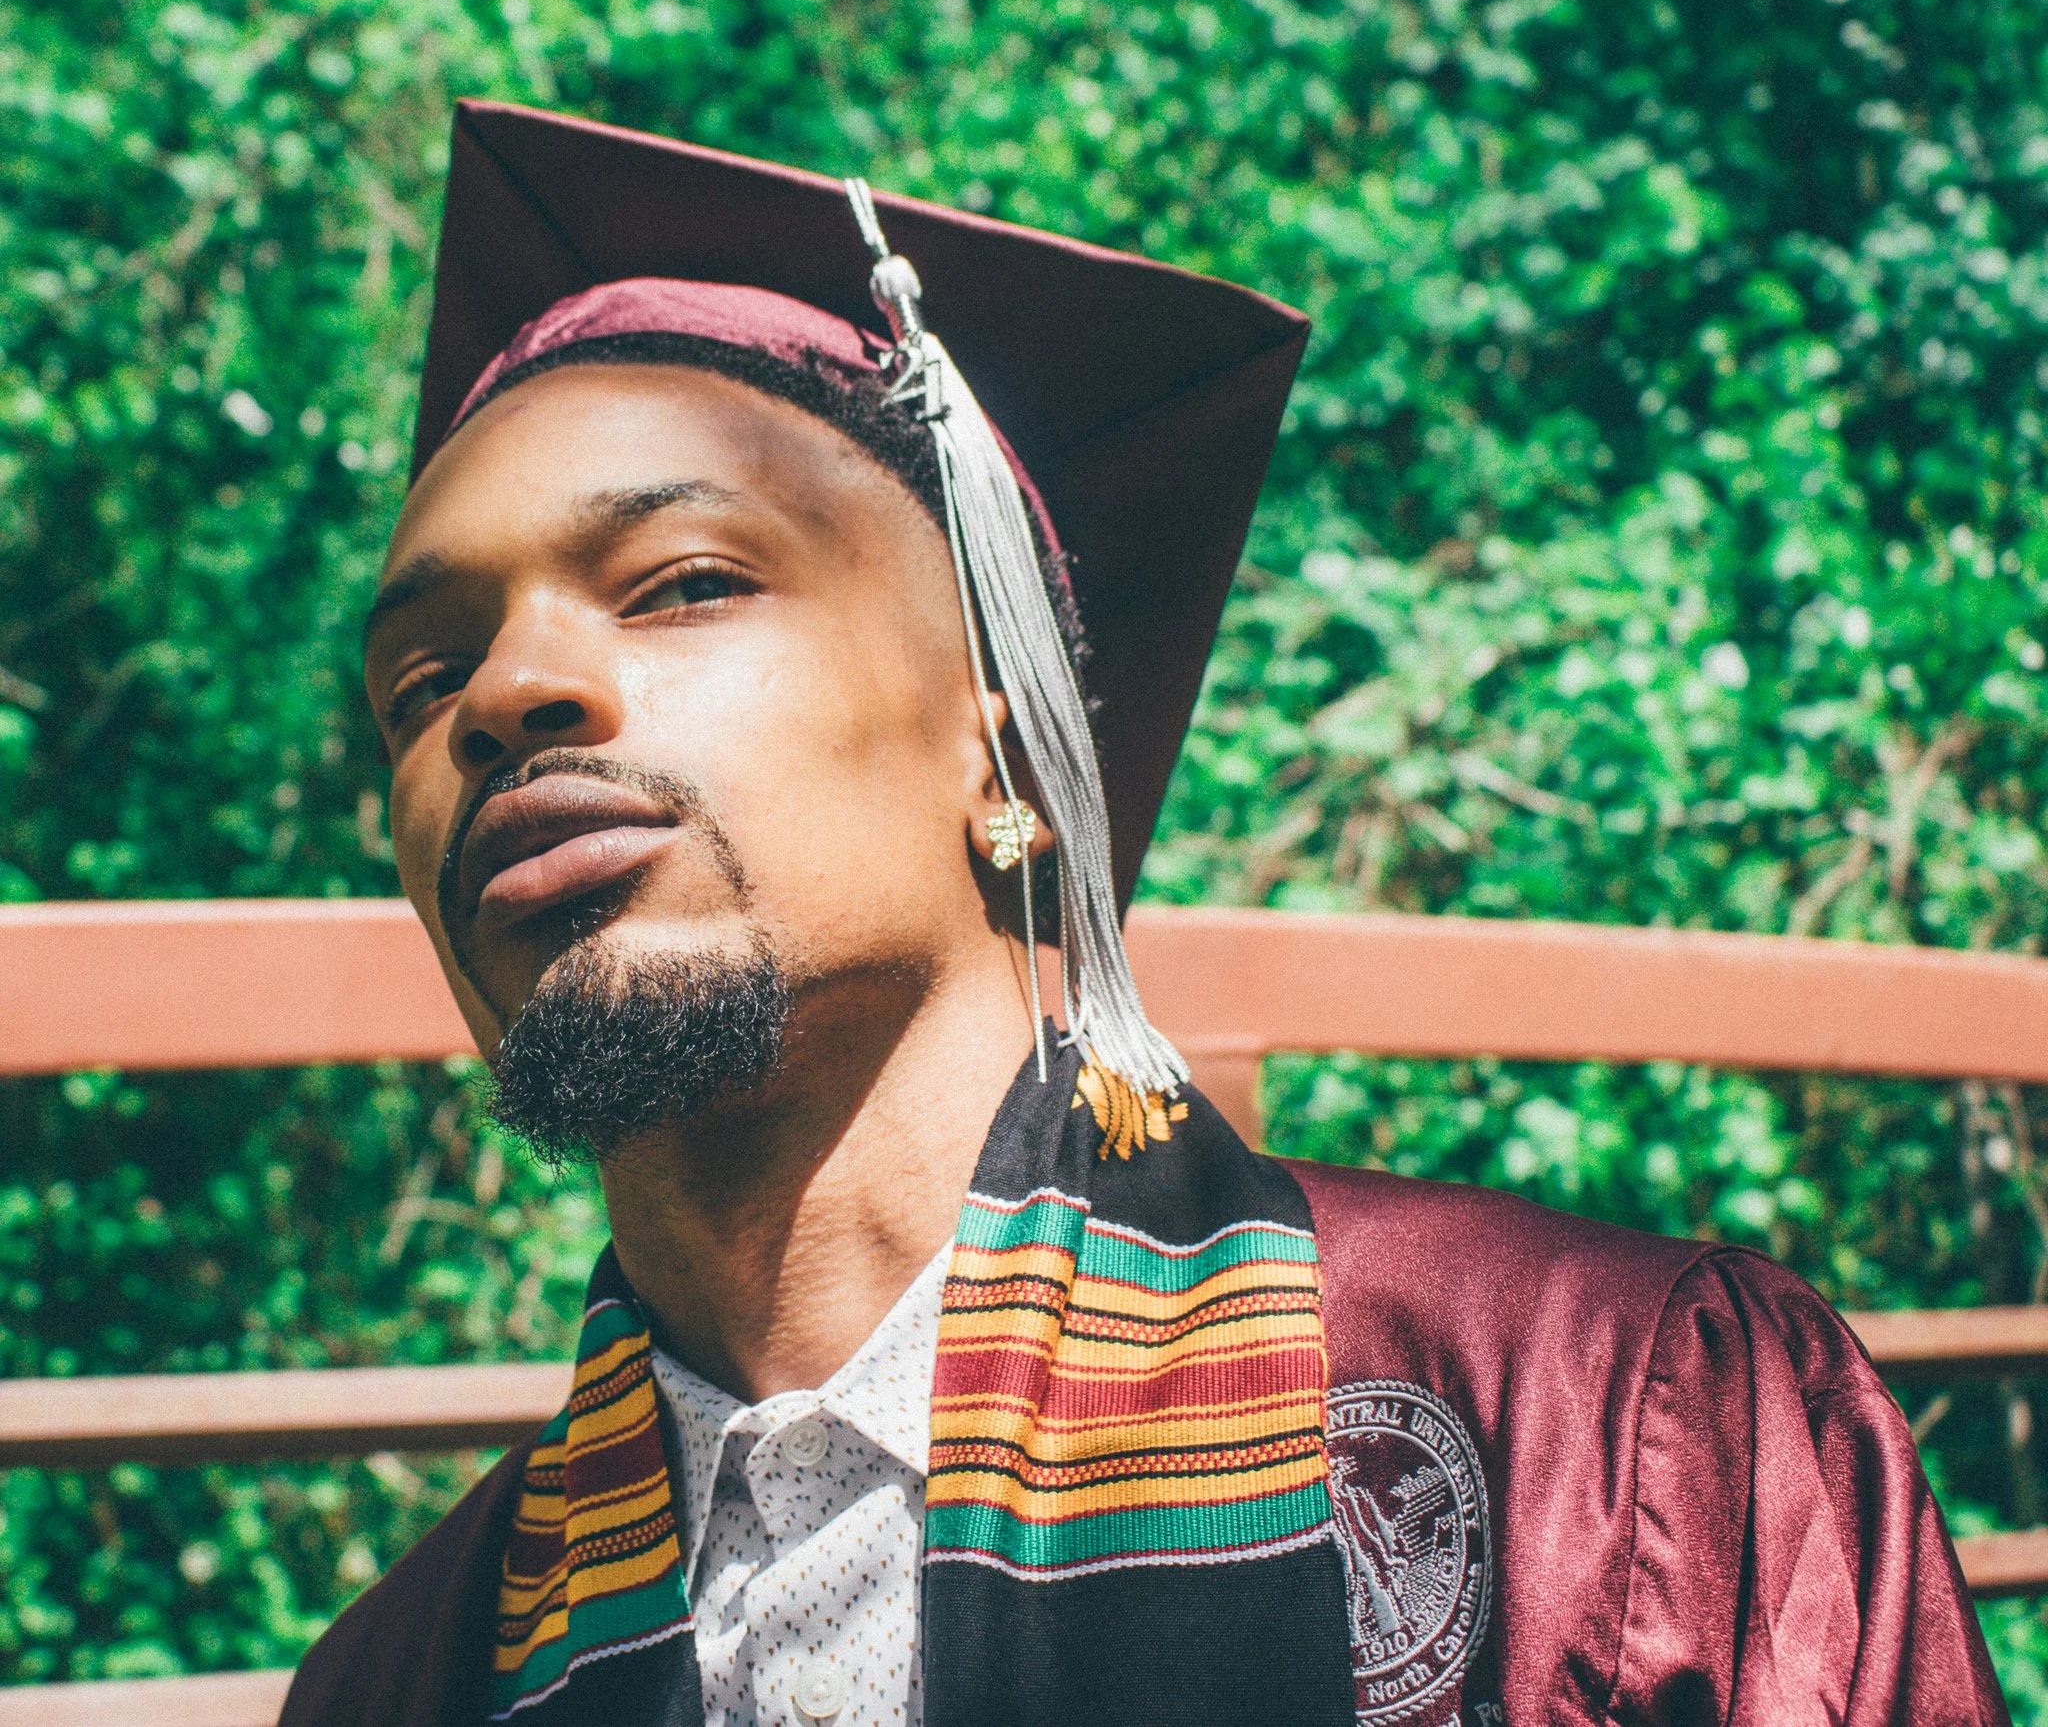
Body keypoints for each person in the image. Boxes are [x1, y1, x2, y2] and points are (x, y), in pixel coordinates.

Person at [283, 99, 2006, 1727]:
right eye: (420, 680)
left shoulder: (1612, 1438)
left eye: (685, 582)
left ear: (1009, 736)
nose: (509, 691)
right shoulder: (406, 1682)